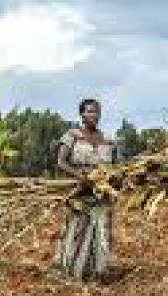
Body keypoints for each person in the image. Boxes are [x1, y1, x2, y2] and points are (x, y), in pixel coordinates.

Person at [54, 98, 118, 281]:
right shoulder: (72, 135)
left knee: (101, 234)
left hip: (101, 194)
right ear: (82, 114)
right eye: (89, 111)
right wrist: (80, 177)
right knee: (78, 231)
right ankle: (73, 272)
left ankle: (99, 272)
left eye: (96, 111)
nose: (94, 115)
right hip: (80, 194)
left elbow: (114, 167)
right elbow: (61, 162)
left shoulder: (107, 139)